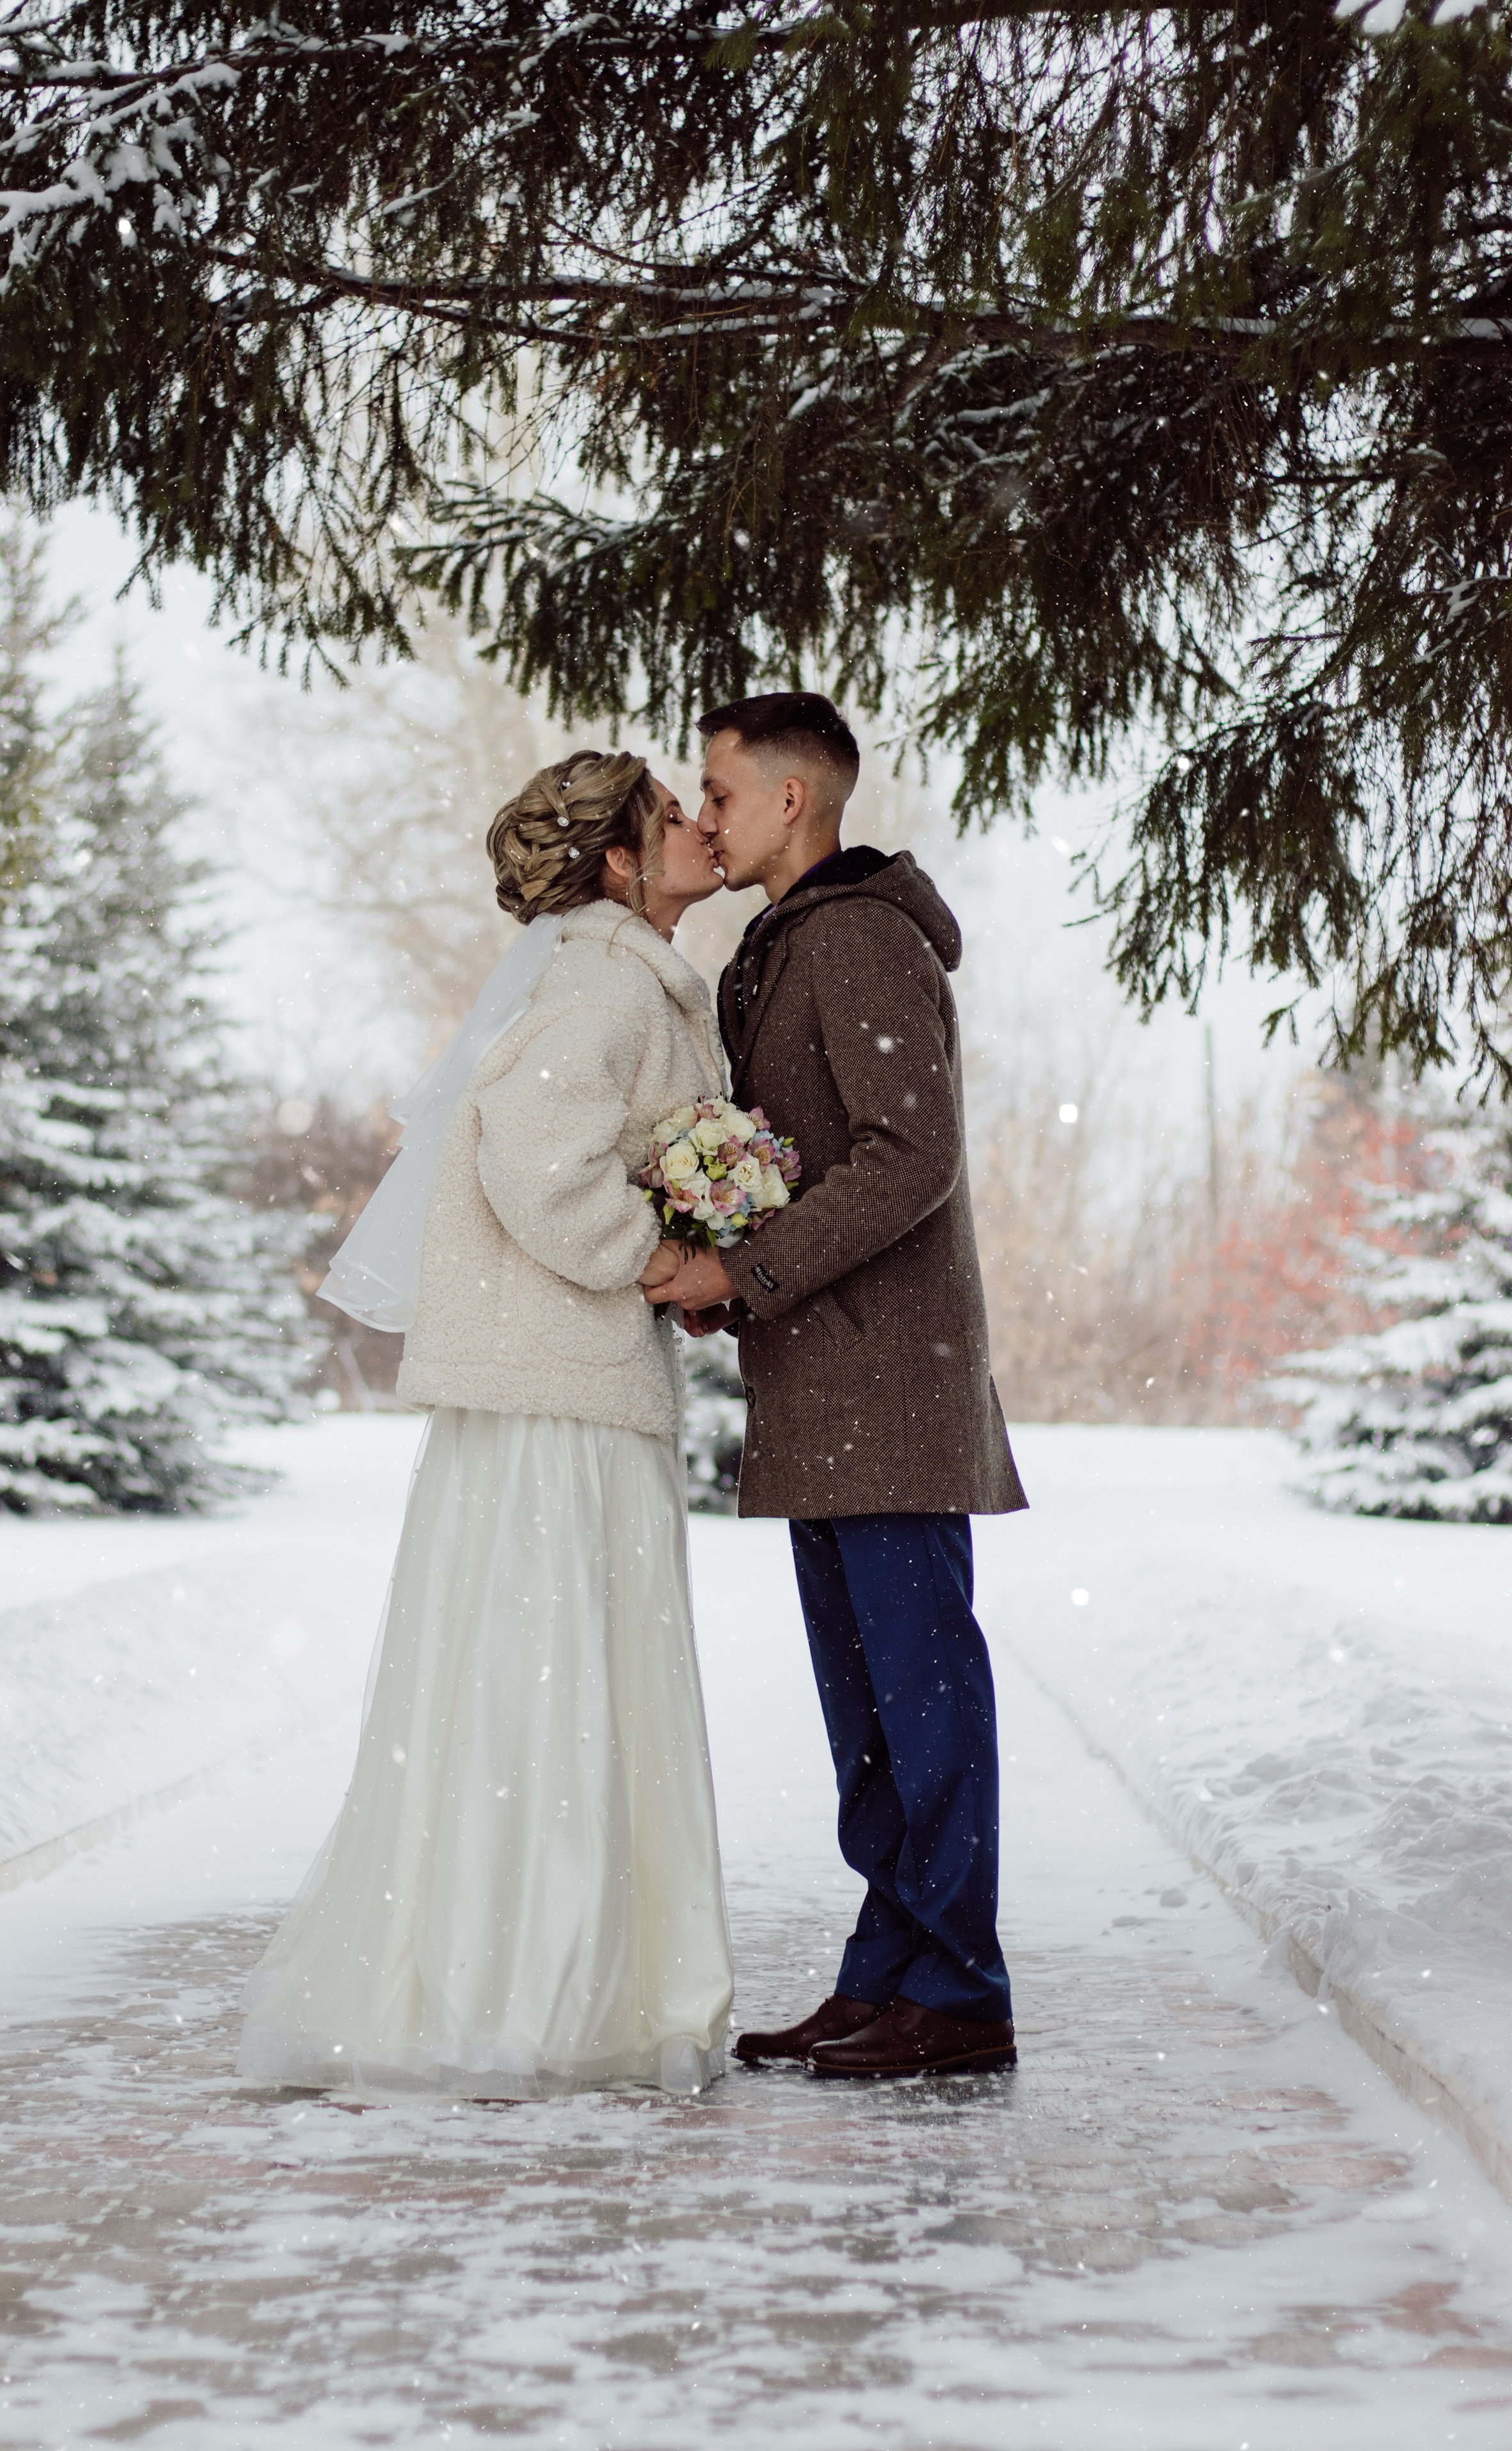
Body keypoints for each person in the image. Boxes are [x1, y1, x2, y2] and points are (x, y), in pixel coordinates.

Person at [237, 751, 735, 2098]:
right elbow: (535, 1155)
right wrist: (654, 1258)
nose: (699, 825)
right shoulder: (598, 981)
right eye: (669, 816)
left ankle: (554, 1981)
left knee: (557, 1678)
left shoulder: (617, 976)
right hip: (551, 1396)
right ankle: (527, 1996)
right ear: (622, 864)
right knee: (551, 1681)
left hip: (567, 1383)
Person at [654, 693, 1029, 2080]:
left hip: (887, 1389)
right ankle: (887, 1972)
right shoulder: (789, 942)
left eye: (717, 791)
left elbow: (905, 1155)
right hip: (828, 1394)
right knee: (868, 1720)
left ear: (790, 800)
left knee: (922, 1710)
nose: (703, 816)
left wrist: (740, 1273)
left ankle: (961, 1995)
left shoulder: (859, 938)